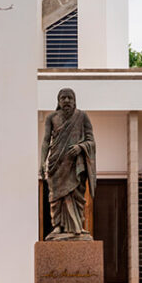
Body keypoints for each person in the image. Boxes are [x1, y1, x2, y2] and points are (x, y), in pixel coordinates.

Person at [39, 88, 96, 240]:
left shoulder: (82, 117)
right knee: (56, 196)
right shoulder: (52, 118)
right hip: (56, 164)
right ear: (58, 101)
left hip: (75, 165)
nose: (66, 101)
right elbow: (46, 141)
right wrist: (42, 162)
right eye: (63, 98)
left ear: (74, 100)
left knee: (76, 195)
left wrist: (80, 147)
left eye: (69, 98)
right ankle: (57, 226)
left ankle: (78, 226)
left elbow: (91, 140)